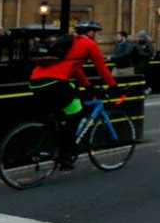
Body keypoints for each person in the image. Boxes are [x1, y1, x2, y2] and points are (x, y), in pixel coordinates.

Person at [29, 20, 117, 169]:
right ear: (90, 32)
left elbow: (75, 69)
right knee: (77, 112)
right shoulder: (89, 44)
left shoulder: (68, 44)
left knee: (60, 115)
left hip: (35, 81)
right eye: (95, 32)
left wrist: (88, 86)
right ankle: (64, 155)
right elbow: (101, 68)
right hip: (55, 83)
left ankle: (55, 148)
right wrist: (113, 86)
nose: (95, 35)